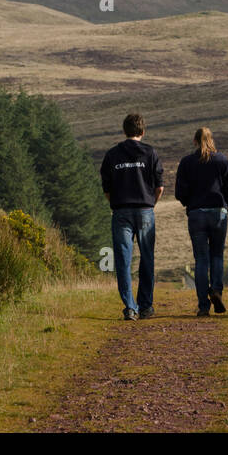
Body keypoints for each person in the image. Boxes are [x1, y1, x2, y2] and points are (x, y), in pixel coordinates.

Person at [100, 112, 163, 321]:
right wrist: (150, 203)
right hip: (145, 210)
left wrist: (117, 204)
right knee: (147, 259)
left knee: (123, 260)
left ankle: (130, 307)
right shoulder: (150, 153)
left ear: (124, 131)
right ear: (143, 132)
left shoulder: (112, 155)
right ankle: (145, 305)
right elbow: (160, 186)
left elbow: (106, 188)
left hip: (121, 212)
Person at [176, 127, 228, 316]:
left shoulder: (186, 162)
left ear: (194, 141)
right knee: (217, 255)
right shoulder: (222, 160)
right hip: (218, 212)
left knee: (201, 259)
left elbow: (180, 192)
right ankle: (216, 290)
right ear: (211, 140)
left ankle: (203, 305)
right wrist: (226, 204)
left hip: (196, 213)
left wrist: (189, 203)